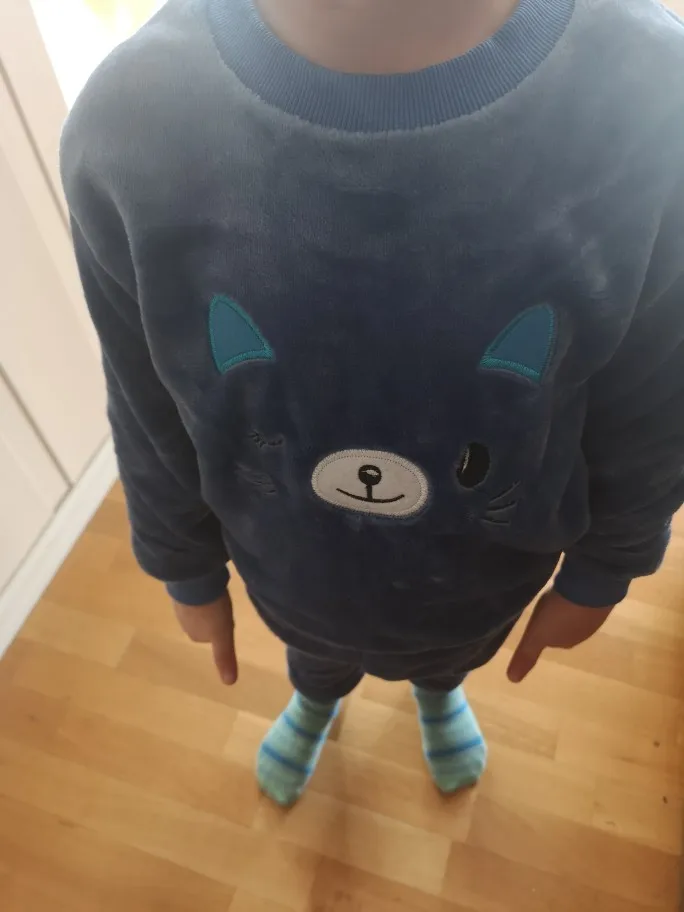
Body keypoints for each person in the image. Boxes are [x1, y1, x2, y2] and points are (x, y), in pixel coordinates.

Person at [60, 0, 684, 806]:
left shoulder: (651, 101)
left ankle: (438, 692)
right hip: (292, 575)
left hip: (480, 584)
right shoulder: (130, 124)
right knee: (316, 653)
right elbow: (142, 396)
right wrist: (180, 561)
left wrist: (610, 563)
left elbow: (659, 399)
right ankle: (316, 698)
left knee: (447, 655)